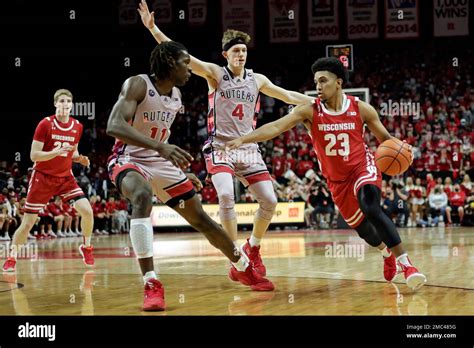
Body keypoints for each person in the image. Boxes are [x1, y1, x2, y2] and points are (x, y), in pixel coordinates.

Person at [138, 0, 314, 278]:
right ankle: (237, 256)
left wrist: (322, 102)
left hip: (248, 148)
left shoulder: (258, 80)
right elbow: (182, 56)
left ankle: (253, 247)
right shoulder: (215, 74)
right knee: (225, 194)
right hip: (220, 146)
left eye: (244, 50)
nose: (241, 54)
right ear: (226, 54)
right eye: (236, 51)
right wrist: (154, 29)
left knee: (269, 200)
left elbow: (290, 96)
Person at [226, 57, 427, 290]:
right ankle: (385, 253)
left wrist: (404, 148)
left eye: (323, 81)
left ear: (338, 82)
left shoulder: (361, 108)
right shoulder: (309, 112)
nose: (318, 86)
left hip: (363, 168)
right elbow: (275, 127)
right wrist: (244, 138)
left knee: (371, 206)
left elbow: (386, 140)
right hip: (336, 181)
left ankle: (407, 264)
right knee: (365, 232)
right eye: (316, 82)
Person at [105, 42, 274, 312]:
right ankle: (151, 283)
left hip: (159, 162)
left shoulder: (175, 97)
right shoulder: (137, 84)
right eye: (185, 63)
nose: (189, 69)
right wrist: (160, 147)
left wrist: (179, 171)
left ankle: (242, 267)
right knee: (142, 195)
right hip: (128, 159)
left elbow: (160, 136)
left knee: (202, 219)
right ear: (171, 63)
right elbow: (114, 125)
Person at [2, 89, 95, 273]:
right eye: (61, 101)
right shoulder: (45, 124)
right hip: (42, 177)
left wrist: (80, 158)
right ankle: (12, 256)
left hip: (65, 177)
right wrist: (55, 153)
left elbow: (72, 152)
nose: (65, 104)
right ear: (55, 104)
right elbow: (34, 155)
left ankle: (86, 247)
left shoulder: (77, 126)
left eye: (68, 101)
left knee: (87, 211)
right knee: (28, 222)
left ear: (72, 104)